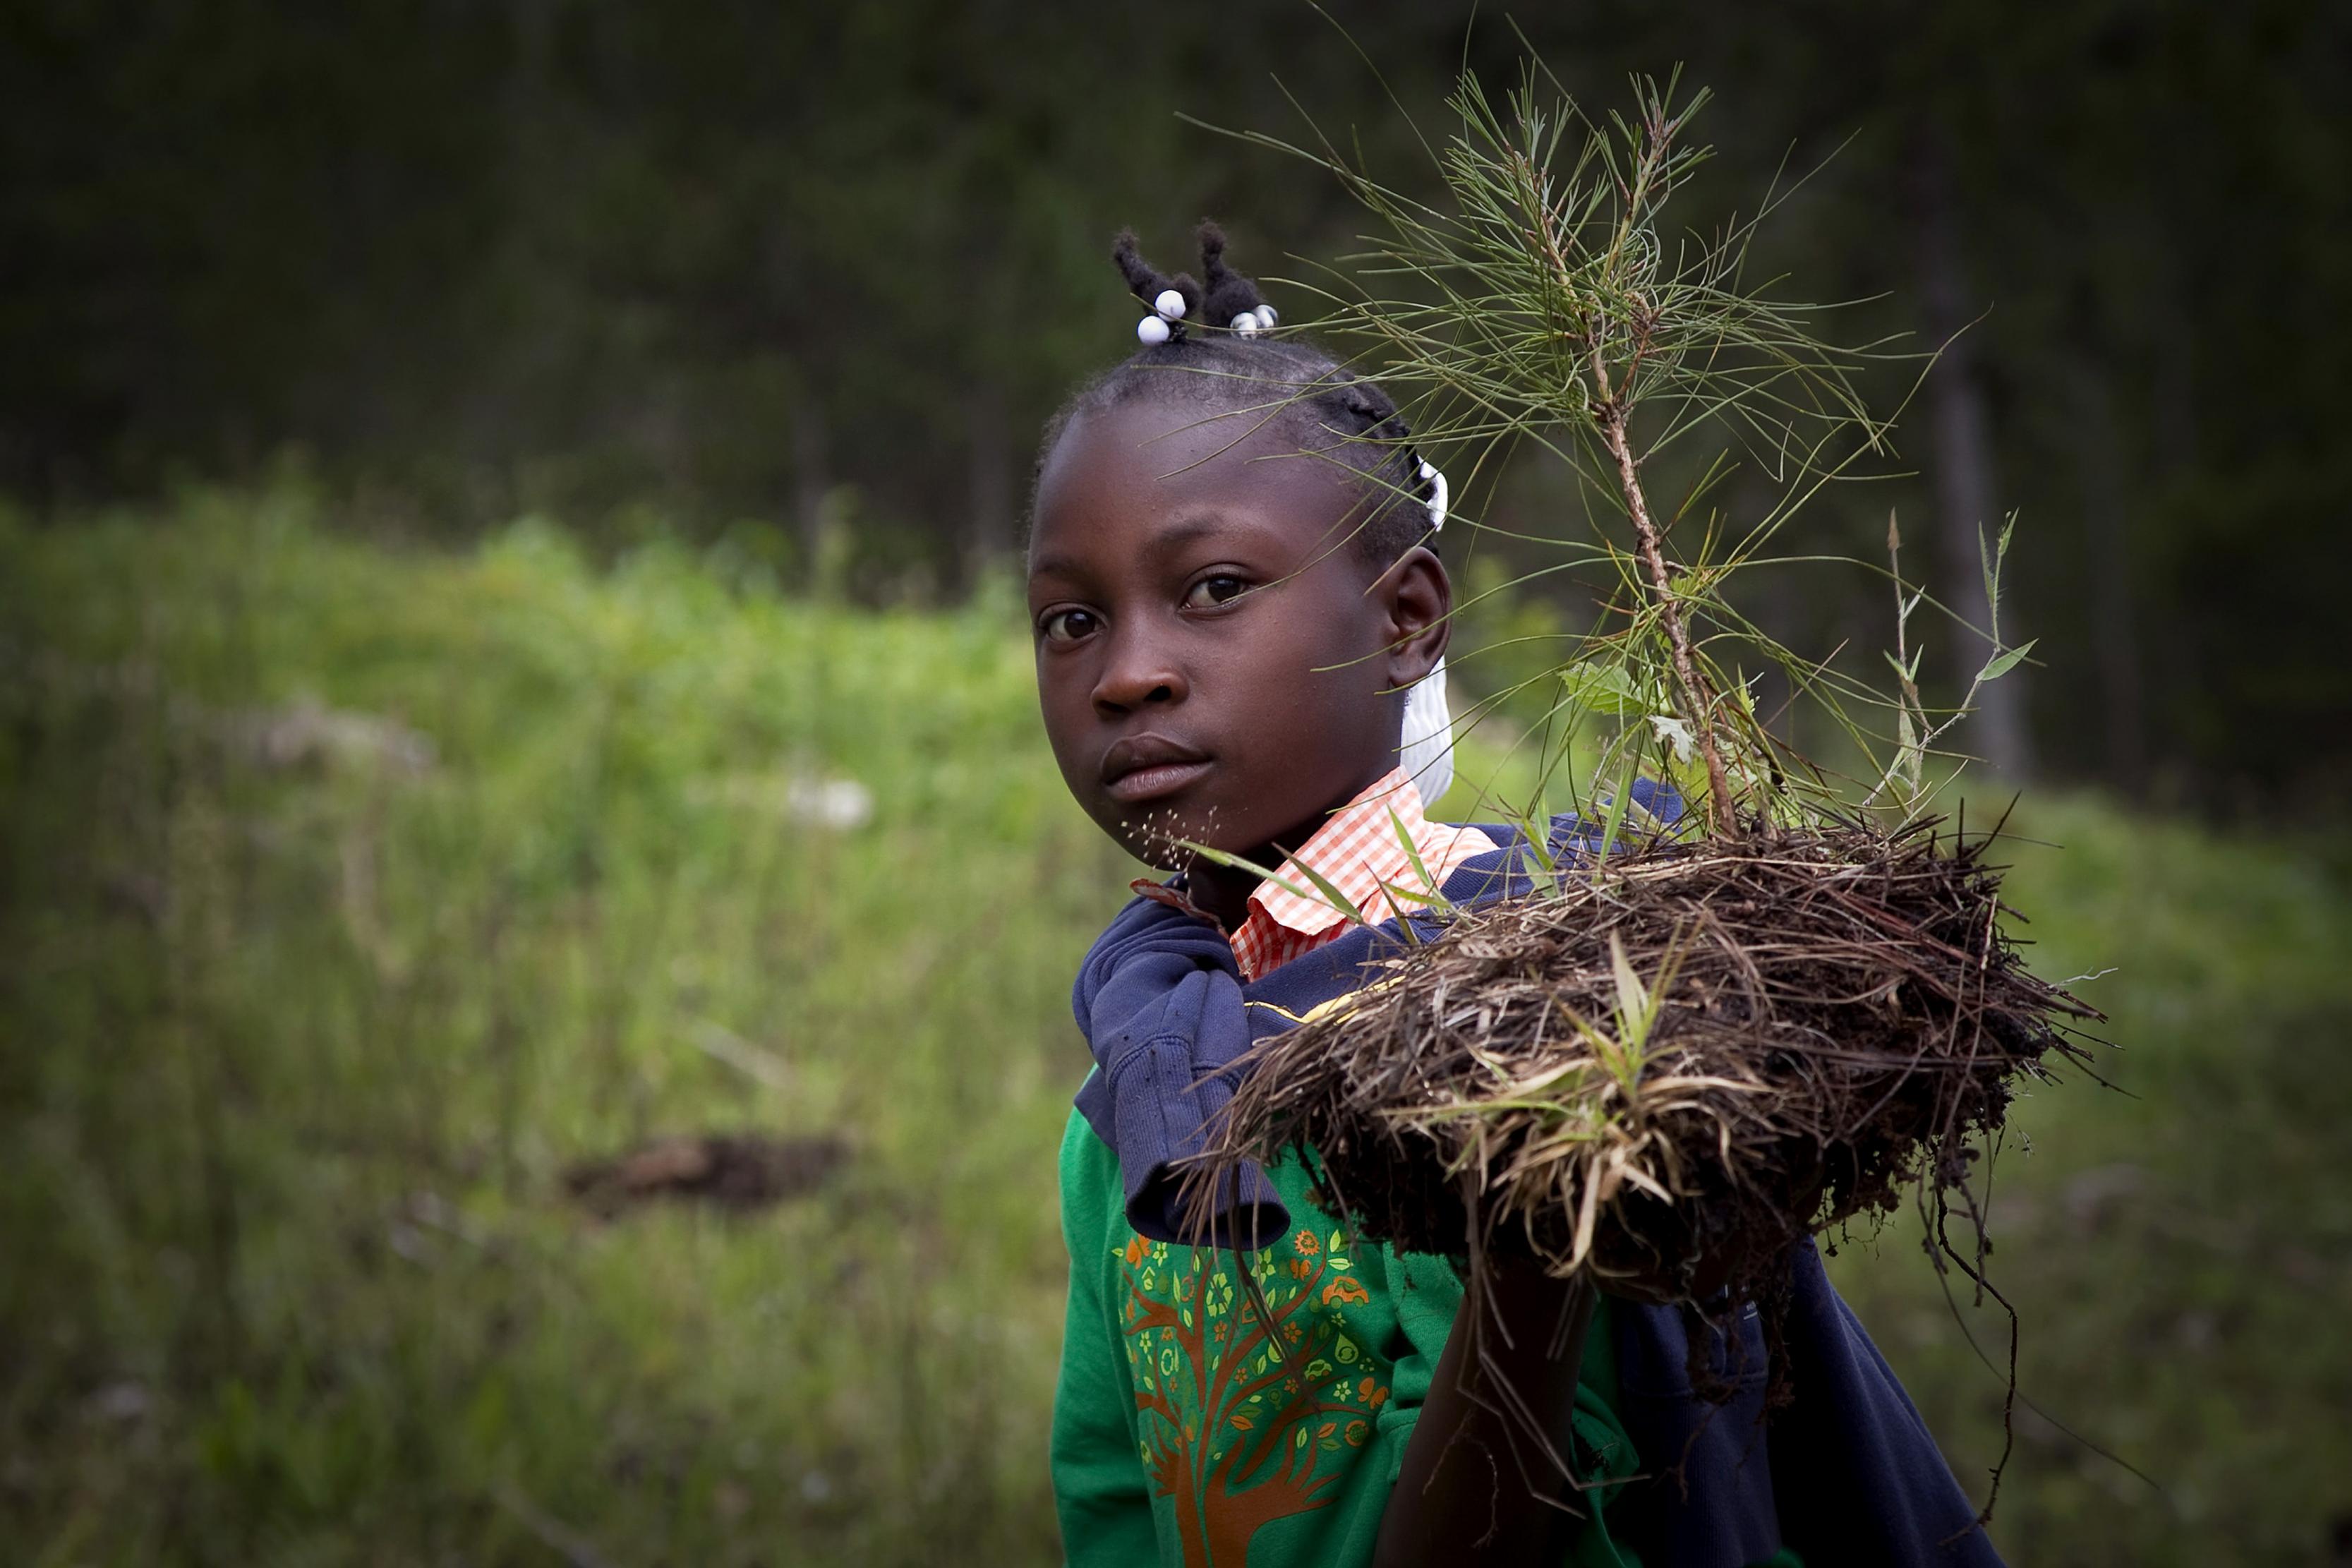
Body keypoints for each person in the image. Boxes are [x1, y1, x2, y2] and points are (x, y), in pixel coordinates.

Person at [1032, 224, 1999, 1568]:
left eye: (1214, 589)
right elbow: (1113, 1497)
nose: (1125, 671)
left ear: (1406, 619)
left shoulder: (1531, 998)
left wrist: (1534, 1244)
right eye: (1071, 619)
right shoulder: (1134, 1083)